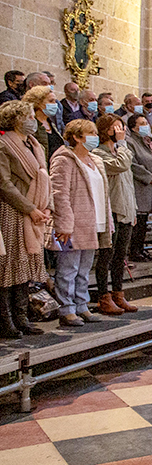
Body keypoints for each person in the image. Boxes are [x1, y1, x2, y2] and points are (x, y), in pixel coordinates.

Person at [50, 119, 111, 328]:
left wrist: (108, 219)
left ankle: (82, 304)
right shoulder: (64, 159)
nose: (95, 136)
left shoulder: (95, 160)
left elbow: (103, 193)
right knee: (68, 268)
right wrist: (63, 224)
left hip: (93, 221)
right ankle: (66, 309)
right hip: (72, 222)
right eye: (90, 132)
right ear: (76, 137)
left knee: (84, 268)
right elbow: (59, 194)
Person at [0, 101, 51, 337]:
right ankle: (5, 320)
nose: (33, 119)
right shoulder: (4, 144)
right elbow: (4, 183)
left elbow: (43, 177)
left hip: (33, 210)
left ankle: (21, 317)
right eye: (29, 116)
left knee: (23, 268)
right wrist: (29, 207)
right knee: (9, 267)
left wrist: (44, 205)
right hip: (13, 209)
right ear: (16, 119)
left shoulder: (33, 143)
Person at [92, 115, 138, 315]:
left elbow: (129, 182)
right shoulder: (99, 153)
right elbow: (120, 166)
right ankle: (104, 296)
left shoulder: (121, 150)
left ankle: (119, 293)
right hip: (111, 210)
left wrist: (133, 209)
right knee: (106, 256)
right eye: (116, 127)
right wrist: (122, 144)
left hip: (125, 208)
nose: (121, 130)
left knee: (121, 256)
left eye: (122, 126)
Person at [126, 113, 152, 262]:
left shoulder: (149, 142)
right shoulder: (130, 142)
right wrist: (150, 177)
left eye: (146, 122)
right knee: (139, 221)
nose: (145, 126)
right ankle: (134, 250)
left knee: (145, 220)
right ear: (133, 127)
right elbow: (133, 164)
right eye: (141, 123)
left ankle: (141, 249)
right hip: (141, 185)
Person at [22, 85, 62, 163]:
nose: (55, 104)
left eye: (55, 101)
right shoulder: (31, 125)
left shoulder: (51, 123)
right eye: (51, 101)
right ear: (38, 103)